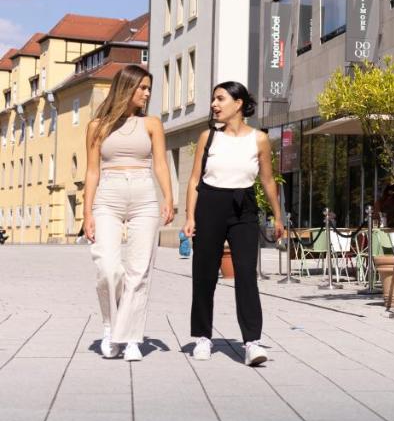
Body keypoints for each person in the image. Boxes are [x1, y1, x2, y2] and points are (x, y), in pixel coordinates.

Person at [183, 82, 285, 366]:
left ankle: (252, 342)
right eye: (213, 99)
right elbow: (194, 180)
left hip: (244, 207)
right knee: (204, 273)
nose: (214, 104)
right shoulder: (208, 137)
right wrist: (190, 216)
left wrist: (278, 216)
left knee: (245, 273)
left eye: (220, 99)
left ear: (238, 103)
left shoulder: (259, 139)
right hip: (210, 204)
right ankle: (202, 337)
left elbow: (267, 180)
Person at [83, 66, 175, 361]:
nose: (147, 93)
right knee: (108, 269)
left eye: (149, 88)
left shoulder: (152, 124)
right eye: (143, 88)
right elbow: (92, 170)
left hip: (143, 196)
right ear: (127, 87)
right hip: (108, 196)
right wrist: (87, 212)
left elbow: (160, 163)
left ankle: (132, 337)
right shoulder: (97, 125)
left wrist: (168, 197)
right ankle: (110, 328)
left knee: (139, 272)